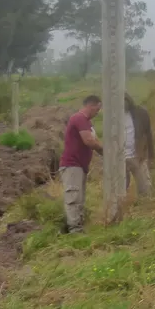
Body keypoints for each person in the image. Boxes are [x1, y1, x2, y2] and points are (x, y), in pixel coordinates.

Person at [59, 95, 103, 233]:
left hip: (80, 166)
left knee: (79, 198)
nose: (98, 112)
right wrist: (106, 151)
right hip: (73, 164)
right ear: (91, 105)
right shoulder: (79, 118)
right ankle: (75, 229)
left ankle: (76, 225)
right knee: (73, 196)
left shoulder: (87, 122)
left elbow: (93, 140)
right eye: (98, 108)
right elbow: (89, 141)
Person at [124, 93, 154, 198]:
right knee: (119, 190)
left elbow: (148, 134)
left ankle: (145, 208)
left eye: (125, 100)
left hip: (137, 155)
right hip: (118, 159)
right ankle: (120, 210)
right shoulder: (112, 115)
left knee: (145, 187)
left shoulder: (140, 113)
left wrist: (151, 156)